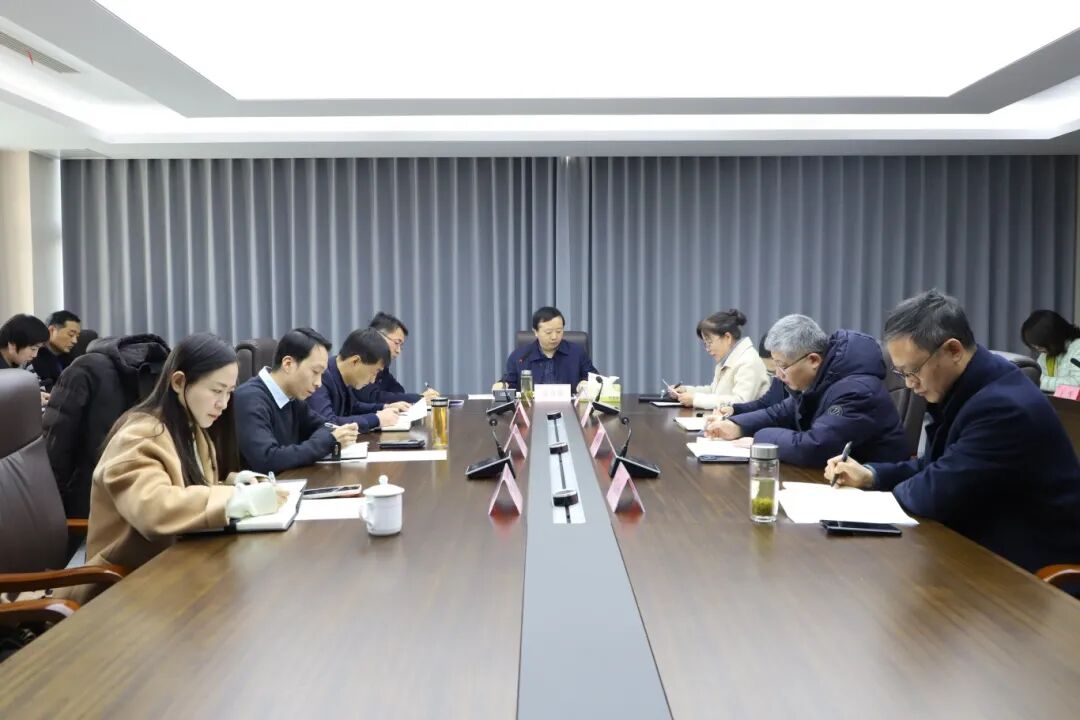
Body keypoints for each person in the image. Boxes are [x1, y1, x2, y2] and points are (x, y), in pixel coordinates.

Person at [826, 291, 1080, 574]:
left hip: (1032, 570)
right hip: (981, 545)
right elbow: (935, 466)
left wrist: (874, 500)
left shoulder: (1003, 407)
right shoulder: (967, 388)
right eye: (902, 374)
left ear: (953, 350)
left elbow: (934, 492)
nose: (909, 384)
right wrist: (871, 475)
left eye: (913, 371)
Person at [69, 334, 287, 603]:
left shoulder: (191, 428)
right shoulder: (139, 435)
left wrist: (234, 483)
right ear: (179, 381)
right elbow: (154, 507)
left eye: (229, 392)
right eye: (216, 391)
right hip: (122, 587)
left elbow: (191, 487)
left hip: (169, 572)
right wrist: (234, 499)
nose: (223, 403)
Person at [705, 314, 908, 467]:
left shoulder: (856, 391)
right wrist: (737, 425)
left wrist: (760, 439)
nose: (778, 376)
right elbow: (779, 412)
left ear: (813, 360)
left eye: (782, 366)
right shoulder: (823, 379)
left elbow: (816, 447)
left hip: (874, 492)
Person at [43, 333, 171, 519]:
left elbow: (55, 443)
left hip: (104, 502)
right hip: (112, 505)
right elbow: (56, 446)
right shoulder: (166, 377)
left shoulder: (165, 374)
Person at [233, 327, 359, 473]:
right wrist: (327, 442)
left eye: (321, 374)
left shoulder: (292, 398)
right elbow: (267, 460)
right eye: (315, 372)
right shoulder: (250, 399)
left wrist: (325, 440)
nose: (319, 383)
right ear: (288, 364)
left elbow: (325, 427)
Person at [669, 309, 770, 409]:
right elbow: (714, 392)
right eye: (705, 344)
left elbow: (740, 401)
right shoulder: (728, 359)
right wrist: (686, 391)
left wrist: (696, 399)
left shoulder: (748, 361)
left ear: (727, 337)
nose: (707, 349)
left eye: (709, 342)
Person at [310, 328, 405, 432]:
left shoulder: (343, 376)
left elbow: (354, 406)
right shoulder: (320, 378)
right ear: (355, 361)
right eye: (374, 372)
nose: (372, 381)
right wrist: (376, 419)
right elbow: (328, 423)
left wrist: (384, 407)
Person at [494, 306, 598, 391]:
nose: (554, 337)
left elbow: (594, 378)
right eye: (548, 332)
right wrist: (502, 385)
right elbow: (509, 383)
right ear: (535, 332)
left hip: (570, 407)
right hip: (531, 408)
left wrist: (586, 382)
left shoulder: (577, 352)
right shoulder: (520, 356)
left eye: (559, 331)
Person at [357, 312, 441, 404]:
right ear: (378, 336)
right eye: (397, 343)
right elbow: (371, 397)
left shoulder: (382, 366)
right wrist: (419, 398)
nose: (398, 351)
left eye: (401, 346)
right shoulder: (361, 360)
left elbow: (397, 390)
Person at [715, 334, 788, 418]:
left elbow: (777, 414)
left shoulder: (798, 392)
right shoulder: (778, 378)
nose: (778, 376)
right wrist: (734, 409)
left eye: (782, 368)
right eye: (771, 373)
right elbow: (763, 403)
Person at [1021, 309, 1080, 393]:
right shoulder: (1046, 355)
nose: (1037, 348)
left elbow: (1077, 383)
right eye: (1034, 345)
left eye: (1040, 344)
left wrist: (1037, 380)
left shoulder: (1077, 347)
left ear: (1055, 336)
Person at [0, 313, 50, 405]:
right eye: (33, 349)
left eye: (38, 349)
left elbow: (37, 385)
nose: (35, 355)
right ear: (12, 345)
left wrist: (38, 394)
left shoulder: (24, 362)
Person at [27, 310, 81, 392]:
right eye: (71, 334)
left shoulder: (74, 357)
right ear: (52, 330)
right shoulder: (32, 357)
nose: (75, 341)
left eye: (77, 336)